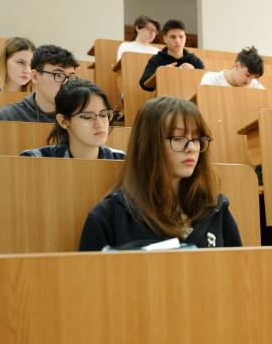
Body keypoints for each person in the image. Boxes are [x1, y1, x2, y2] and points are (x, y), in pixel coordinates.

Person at [79, 96, 242, 250]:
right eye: (177, 138)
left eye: (197, 138)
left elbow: (240, 267)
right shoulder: (108, 216)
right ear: (147, 145)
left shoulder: (215, 208)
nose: (192, 148)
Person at [20, 79, 124, 159]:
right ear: (64, 121)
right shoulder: (33, 159)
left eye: (104, 115)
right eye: (87, 117)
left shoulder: (123, 161)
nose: (100, 124)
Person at [0, 44, 79, 122]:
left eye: (70, 78)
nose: (66, 84)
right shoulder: (8, 117)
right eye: (58, 75)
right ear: (35, 76)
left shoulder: (77, 116)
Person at [139, 19, 204, 91]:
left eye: (181, 37)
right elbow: (144, 84)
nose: (178, 41)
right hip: (164, 97)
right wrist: (162, 72)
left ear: (185, 38)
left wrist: (194, 73)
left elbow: (206, 83)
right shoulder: (156, 59)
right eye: (173, 37)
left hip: (188, 97)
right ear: (165, 39)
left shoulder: (194, 60)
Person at [200, 46, 264, 89]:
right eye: (247, 75)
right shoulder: (212, 79)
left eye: (253, 78)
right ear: (237, 66)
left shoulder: (254, 85)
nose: (248, 82)